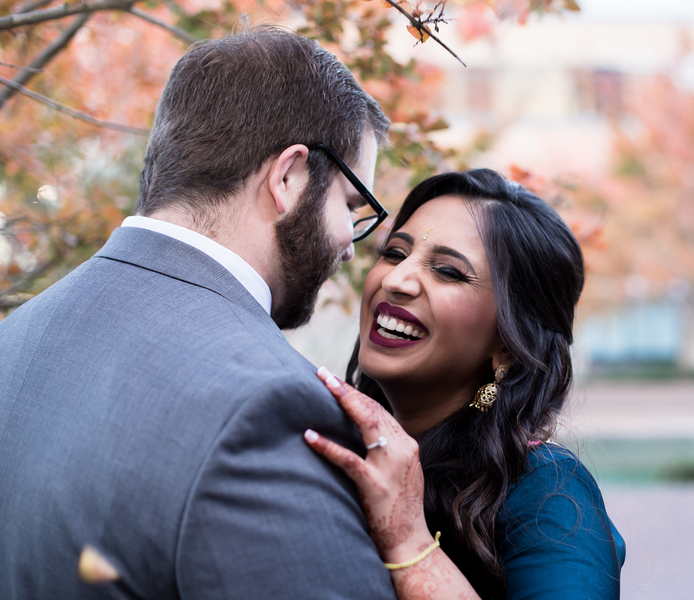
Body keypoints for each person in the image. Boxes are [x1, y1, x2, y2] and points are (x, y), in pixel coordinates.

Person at [0, 27, 398, 600]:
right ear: (288, 177)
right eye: (353, 204)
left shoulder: (16, 338)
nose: (350, 243)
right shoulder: (267, 409)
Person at [304, 169, 625, 599]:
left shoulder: (546, 491)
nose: (395, 281)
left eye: (448, 272)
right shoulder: (335, 442)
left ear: (509, 345)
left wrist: (408, 540)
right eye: (395, 253)